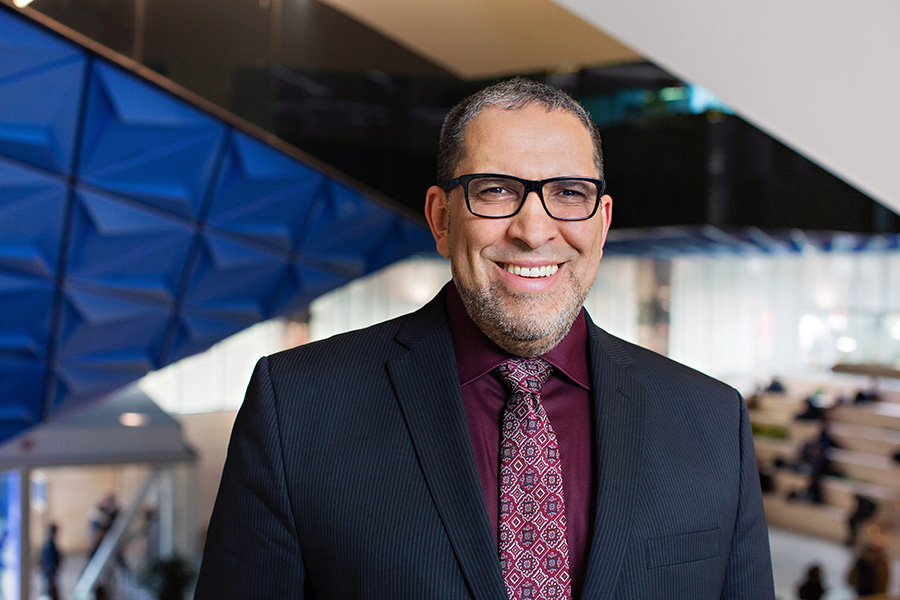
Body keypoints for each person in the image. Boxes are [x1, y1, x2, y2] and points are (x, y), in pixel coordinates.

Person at [195, 78, 774, 599]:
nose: (534, 229)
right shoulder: (296, 408)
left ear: (601, 222)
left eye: (569, 193)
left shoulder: (712, 421)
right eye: (495, 190)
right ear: (442, 219)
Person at [39, 523, 62, 600]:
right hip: (50, 576)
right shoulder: (50, 545)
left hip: (50, 576)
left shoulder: (49, 543)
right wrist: (51, 576)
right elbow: (49, 561)